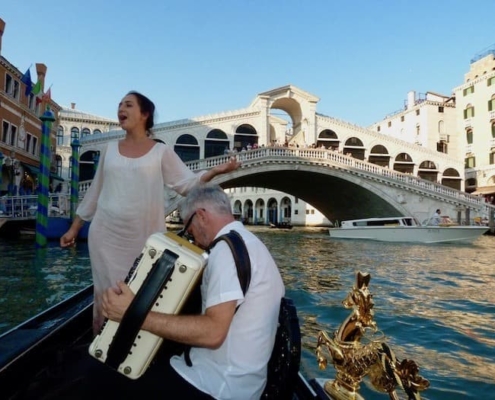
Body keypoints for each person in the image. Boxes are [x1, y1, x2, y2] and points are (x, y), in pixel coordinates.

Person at [60, 91, 241, 334]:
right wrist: (74, 228)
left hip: (144, 240)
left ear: (145, 114)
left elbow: (187, 184)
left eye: (128, 105)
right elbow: (95, 191)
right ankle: (102, 347)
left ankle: (134, 350)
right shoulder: (109, 149)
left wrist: (218, 170)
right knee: (107, 297)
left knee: (140, 295)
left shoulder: (160, 152)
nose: (120, 108)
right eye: (120, 104)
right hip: (105, 238)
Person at [101, 183, 285, 399]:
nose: (191, 237)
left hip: (216, 386)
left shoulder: (227, 253)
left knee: (102, 377)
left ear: (201, 216)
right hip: (230, 379)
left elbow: (213, 332)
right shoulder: (247, 243)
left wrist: (132, 314)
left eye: (189, 228)